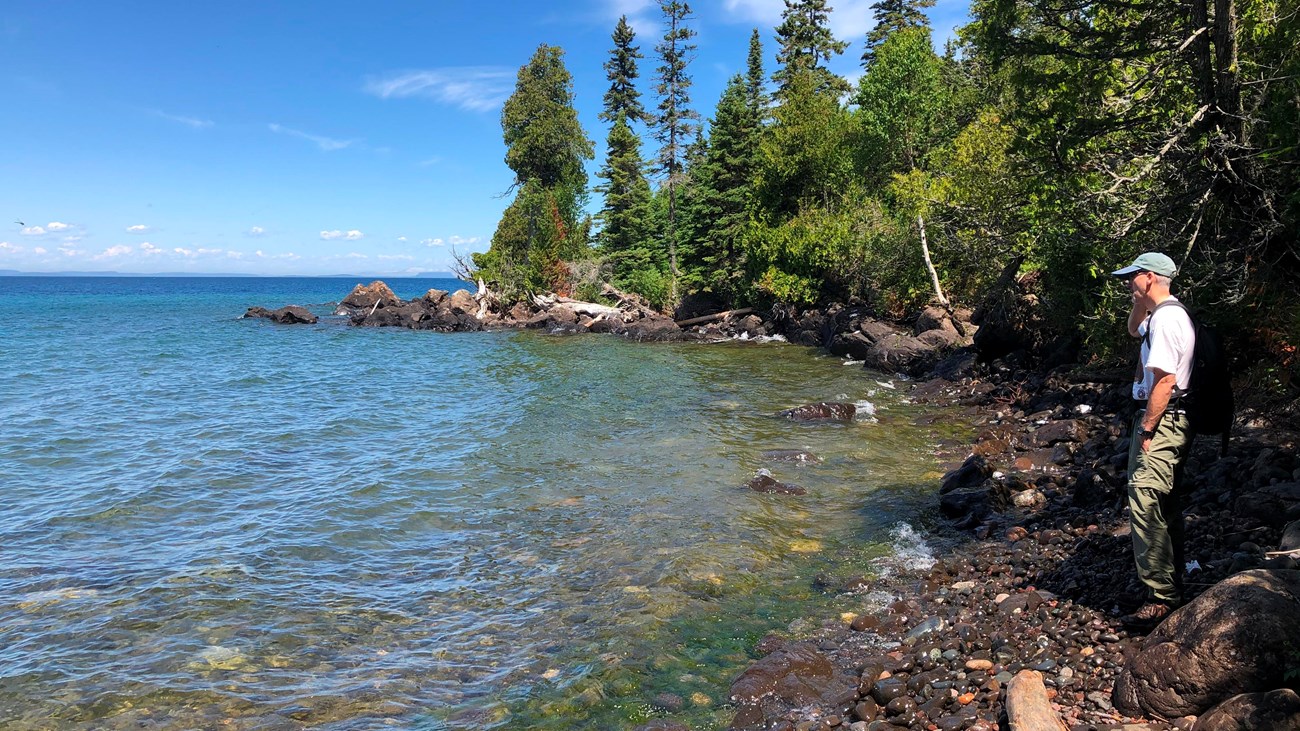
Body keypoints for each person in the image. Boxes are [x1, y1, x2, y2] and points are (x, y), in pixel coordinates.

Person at [1111, 252, 1196, 627]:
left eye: (1132, 278)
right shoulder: (1160, 316)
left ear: (1148, 277)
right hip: (1167, 417)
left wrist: (1147, 429)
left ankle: (1162, 596)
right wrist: (1138, 303)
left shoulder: (1167, 321)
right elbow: (1133, 331)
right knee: (1163, 499)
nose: (1127, 283)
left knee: (1145, 498)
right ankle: (1171, 581)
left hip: (1163, 419)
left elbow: (1164, 381)